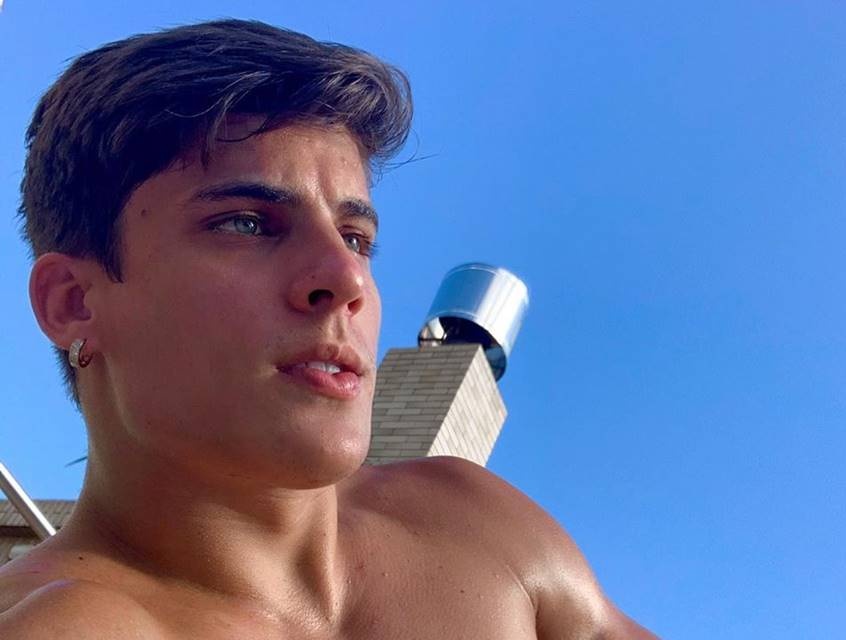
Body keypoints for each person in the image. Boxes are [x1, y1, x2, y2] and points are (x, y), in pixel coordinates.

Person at [0, 19, 656, 639]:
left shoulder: (480, 527)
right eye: (247, 223)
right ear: (73, 303)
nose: (347, 278)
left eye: (355, 237)